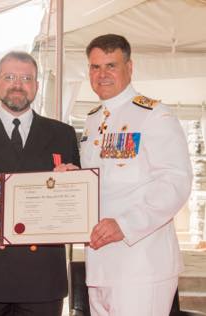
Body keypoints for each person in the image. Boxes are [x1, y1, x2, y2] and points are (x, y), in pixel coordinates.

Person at [0, 51, 80, 316]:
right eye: (9, 77)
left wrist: (73, 184)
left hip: (42, 278)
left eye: (26, 78)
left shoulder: (63, 134)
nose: (17, 84)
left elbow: (74, 206)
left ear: (37, 86)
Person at [80, 34, 192, 315]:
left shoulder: (155, 115)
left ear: (130, 68)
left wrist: (126, 224)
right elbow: (97, 182)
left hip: (141, 263)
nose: (102, 75)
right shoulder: (93, 120)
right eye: (95, 67)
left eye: (111, 66)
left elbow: (175, 182)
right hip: (99, 264)